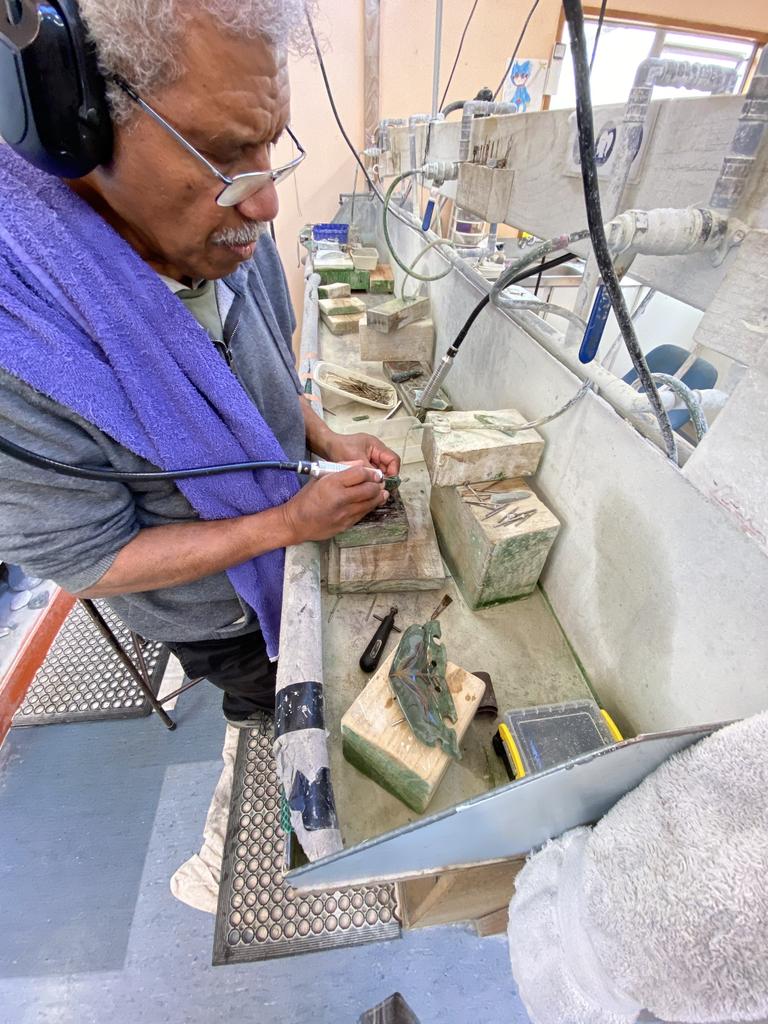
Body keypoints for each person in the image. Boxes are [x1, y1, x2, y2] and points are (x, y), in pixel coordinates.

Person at [0, 0, 400, 728]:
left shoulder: (221, 228)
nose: (267, 202)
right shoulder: (23, 343)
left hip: (292, 527)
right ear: (72, 119)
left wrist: (324, 439)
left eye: (268, 146)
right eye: (223, 153)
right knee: (276, 704)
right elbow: (95, 561)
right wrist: (284, 524)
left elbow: (253, 376)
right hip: (219, 613)